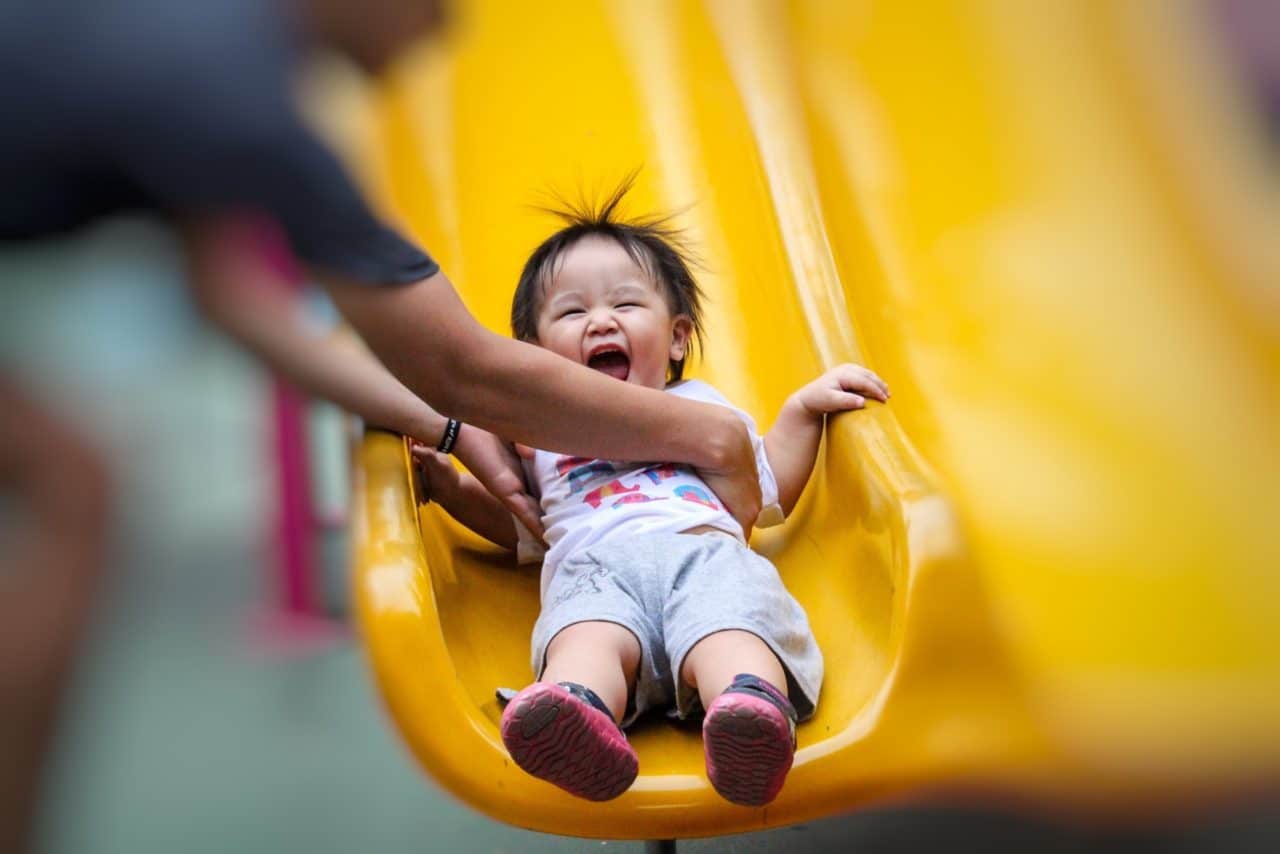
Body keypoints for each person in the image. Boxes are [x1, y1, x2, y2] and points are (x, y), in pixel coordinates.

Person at [0, 3, 761, 849]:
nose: (438, 32)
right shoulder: (241, 103)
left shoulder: (200, 46)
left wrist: (446, 428)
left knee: (73, 482)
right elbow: (469, 367)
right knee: (75, 493)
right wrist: (706, 438)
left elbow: (238, 303)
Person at [413, 184, 890, 807]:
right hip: (593, 571)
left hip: (702, 555)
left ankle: (745, 711)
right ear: (531, 361)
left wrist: (802, 411)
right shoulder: (538, 441)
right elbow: (522, 527)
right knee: (584, 638)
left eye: (626, 303)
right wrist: (451, 489)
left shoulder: (700, 408)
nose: (601, 320)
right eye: (572, 312)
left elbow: (768, 490)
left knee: (730, 624)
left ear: (676, 338)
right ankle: (577, 713)